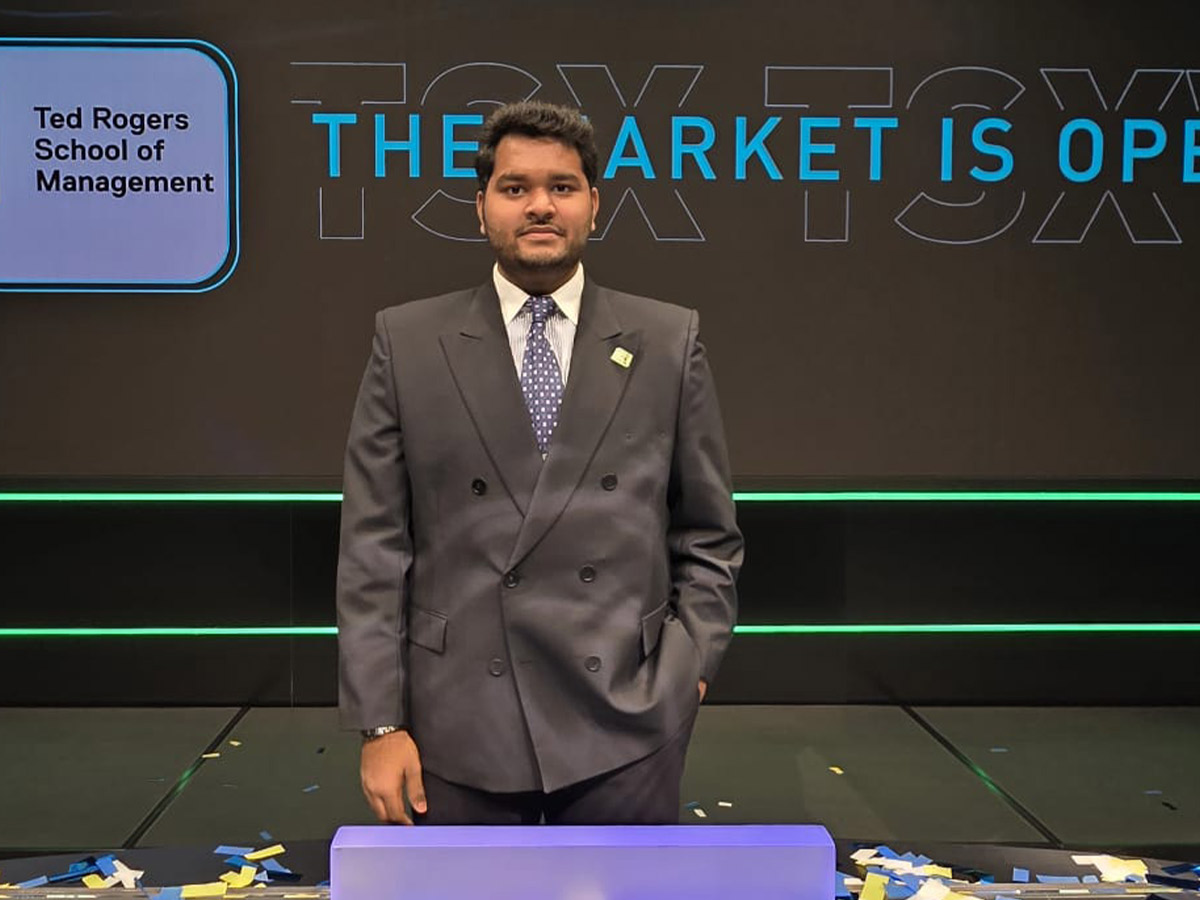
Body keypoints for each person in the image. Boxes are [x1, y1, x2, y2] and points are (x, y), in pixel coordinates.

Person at [336, 100, 742, 826]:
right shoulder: (407, 341)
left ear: (594, 204)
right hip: (454, 720)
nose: (539, 206)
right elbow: (374, 547)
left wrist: (688, 672)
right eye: (515, 188)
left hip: (629, 717)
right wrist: (378, 722)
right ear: (481, 207)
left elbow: (708, 533)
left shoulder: (668, 339)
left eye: (562, 186)